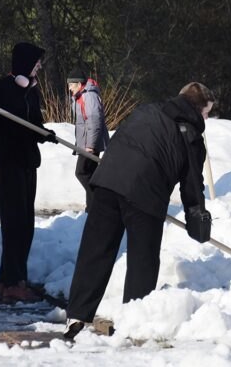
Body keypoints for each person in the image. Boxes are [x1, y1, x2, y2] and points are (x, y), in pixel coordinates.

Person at [64, 82, 215, 339]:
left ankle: (77, 314)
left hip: (107, 182)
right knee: (142, 259)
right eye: (207, 112)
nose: (207, 118)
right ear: (198, 108)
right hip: (145, 194)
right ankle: (133, 321)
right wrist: (196, 214)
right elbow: (192, 182)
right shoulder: (191, 136)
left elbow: (119, 139)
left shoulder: (147, 110)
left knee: (96, 250)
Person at [0, 41, 58, 302]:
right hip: (7, 164)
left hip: (28, 163)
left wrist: (44, 134)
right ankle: (14, 283)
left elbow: (33, 123)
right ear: (24, 64)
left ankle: (12, 281)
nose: (39, 66)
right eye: (36, 62)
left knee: (26, 224)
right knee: (13, 223)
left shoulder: (32, 92)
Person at [67, 66, 110, 212]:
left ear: (79, 84)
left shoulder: (88, 96)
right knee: (90, 174)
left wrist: (90, 145)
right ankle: (91, 208)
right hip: (86, 142)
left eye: (71, 85)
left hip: (90, 144)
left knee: (82, 172)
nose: (70, 88)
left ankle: (98, 203)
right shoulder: (81, 96)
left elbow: (94, 120)